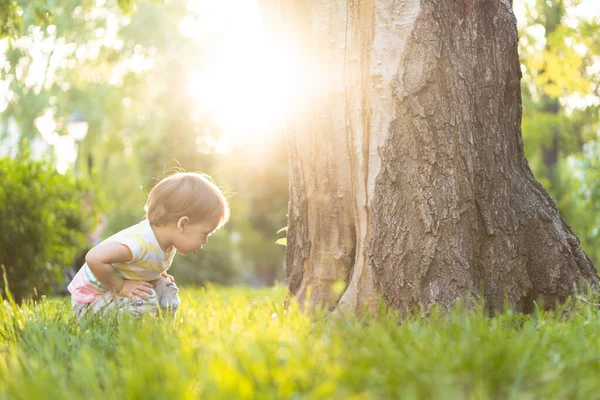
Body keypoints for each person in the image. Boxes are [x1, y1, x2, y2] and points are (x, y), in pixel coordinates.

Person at [67, 172, 229, 322]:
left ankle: (162, 327)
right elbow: (94, 258)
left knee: (165, 287)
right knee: (144, 299)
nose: (205, 241)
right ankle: (133, 332)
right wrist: (121, 286)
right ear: (183, 224)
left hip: (110, 297)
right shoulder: (138, 243)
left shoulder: (166, 243)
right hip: (90, 302)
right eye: (204, 234)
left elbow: (142, 263)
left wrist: (154, 273)